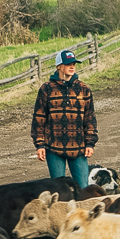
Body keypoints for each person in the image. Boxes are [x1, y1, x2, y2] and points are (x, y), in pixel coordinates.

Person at [32, 49, 97, 191]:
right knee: (58, 190)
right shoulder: (46, 89)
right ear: (59, 66)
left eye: (73, 63)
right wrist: (40, 145)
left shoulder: (84, 89)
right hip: (53, 148)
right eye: (68, 64)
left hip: (79, 148)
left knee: (83, 189)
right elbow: (39, 119)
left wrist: (90, 143)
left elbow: (90, 118)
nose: (72, 66)